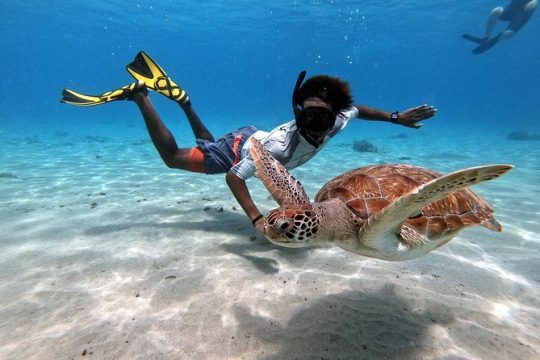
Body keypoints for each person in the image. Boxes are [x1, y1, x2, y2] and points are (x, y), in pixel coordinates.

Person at [61, 51, 437, 234]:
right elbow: (235, 178)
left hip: (247, 134)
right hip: (246, 147)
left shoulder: (339, 118)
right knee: (174, 159)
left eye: (321, 117)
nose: (313, 124)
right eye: (306, 115)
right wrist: (256, 219)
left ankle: (186, 103)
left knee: (212, 149)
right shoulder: (279, 149)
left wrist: (394, 117)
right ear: (296, 110)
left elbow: (357, 109)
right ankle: (141, 97)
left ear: (333, 116)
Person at [463, 0, 537, 54]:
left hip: (522, 15)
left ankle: (495, 40)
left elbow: (531, 9)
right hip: (511, 10)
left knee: (509, 33)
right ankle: (486, 38)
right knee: (496, 11)